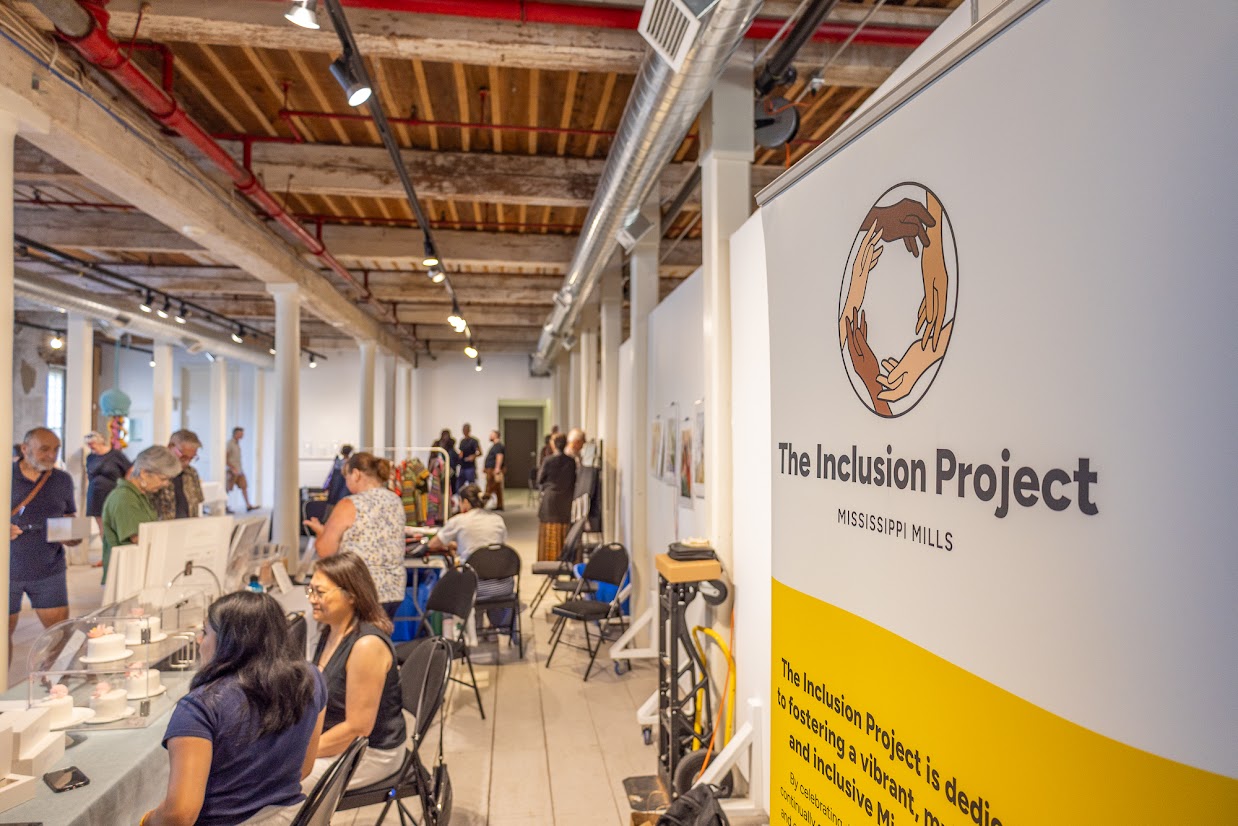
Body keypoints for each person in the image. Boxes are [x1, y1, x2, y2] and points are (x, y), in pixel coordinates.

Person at [144, 592, 326, 826]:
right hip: (292, 818)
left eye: (205, 632)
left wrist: (146, 820)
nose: (200, 641)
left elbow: (179, 815)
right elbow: (304, 768)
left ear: (228, 641)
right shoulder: (312, 679)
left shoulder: (199, 708)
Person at [302, 553, 407, 792]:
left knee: (275, 788)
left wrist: (298, 754)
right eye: (310, 591)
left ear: (351, 595)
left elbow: (357, 729)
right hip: (339, 741)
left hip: (372, 753)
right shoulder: (330, 629)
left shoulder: (366, 646)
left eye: (320, 592)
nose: (312, 600)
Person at [302, 453, 406, 619]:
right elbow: (370, 538)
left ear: (356, 474)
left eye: (347, 476)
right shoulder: (395, 500)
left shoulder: (349, 504)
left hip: (362, 589)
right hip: (394, 589)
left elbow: (325, 550)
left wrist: (322, 532)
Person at [9, 428, 80, 653]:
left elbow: (69, 517)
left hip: (49, 569)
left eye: (56, 449)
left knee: (59, 636)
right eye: (44, 449)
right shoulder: (5, 475)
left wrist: (73, 536)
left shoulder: (62, 480)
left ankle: (56, 687)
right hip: (7, 571)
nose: (52, 455)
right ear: (25, 449)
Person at [428, 484, 511, 624]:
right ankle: (493, 628)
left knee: (453, 577)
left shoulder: (460, 520)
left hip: (474, 587)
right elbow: (497, 548)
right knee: (483, 567)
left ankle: (464, 628)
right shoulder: (497, 520)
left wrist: (450, 545)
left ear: (465, 502)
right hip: (503, 586)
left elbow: (433, 544)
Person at [101, 445, 181, 585]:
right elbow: (140, 538)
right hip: (126, 576)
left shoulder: (141, 495)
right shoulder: (125, 498)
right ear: (144, 473)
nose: (166, 484)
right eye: (163, 479)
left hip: (139, 571)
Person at [536, 433, 576, 562]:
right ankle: (563, 559)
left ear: (553, 444)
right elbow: (574, 480)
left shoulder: (548, 460)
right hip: (565, 499)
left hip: (550, 500)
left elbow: (540, 479)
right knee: (563, 530)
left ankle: (549, 560)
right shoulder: (571, 461)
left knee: (549, 530)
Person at [149, 430, 205, 520]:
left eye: (192, 458)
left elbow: (196, 505)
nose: (187, 462)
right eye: (183, 457)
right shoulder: (153, 472)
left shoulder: (192, 473)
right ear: (170, 447)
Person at [84, 431, 130, 534]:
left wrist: (125, 487)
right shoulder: (90, 457)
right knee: (102, 526)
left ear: (100, 442)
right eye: (88, 445)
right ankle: (105, 548)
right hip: (95, 494)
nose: (90, 446)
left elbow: (129, 470)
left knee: (114, 523)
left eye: (92, 444)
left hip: (112, 492)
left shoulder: (116, 455)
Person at [226, 427, 257, 512]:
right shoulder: (230, 444)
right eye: (241, 433)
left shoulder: (237, 444)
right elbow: (225, 457)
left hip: (239, 469)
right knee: (227, 488)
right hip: (231, 470)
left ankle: (248, 505)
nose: (242, 435)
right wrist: (232, 468)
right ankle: (224, 506)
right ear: (236, 434)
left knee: (244, 486)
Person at [483, 429, 505, 511]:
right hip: (491, 469)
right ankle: (499, 505)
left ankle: (483, 504)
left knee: (489, 487)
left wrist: (497, 468)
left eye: (491, 434)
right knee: (497, 488)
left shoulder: (498, 446)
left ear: (496, 435)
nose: (490, 436)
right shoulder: (496, 446)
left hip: (493, 470)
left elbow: (499, 456)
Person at [456, 424, 480, 493]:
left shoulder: (474, 441)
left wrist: (473, 456)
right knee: (459, 485)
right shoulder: (462, 441)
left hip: (470, 467)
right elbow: (461, 452)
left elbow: (480, 452)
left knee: (471, 485)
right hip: (463, 466)